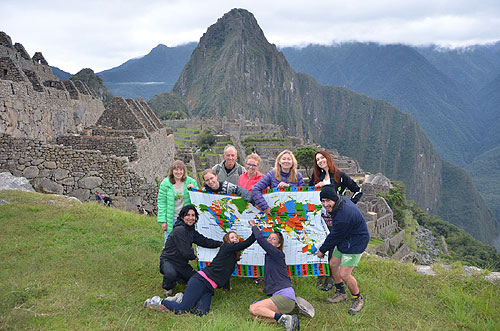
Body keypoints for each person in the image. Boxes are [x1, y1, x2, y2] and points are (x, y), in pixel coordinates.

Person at [144, 227, 256, 316]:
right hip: (200, 280)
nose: (235, 239)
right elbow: (245, 244)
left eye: (236, 237)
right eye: (232, 237)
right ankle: (158, 301)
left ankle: (181, 298)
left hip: (209, 288)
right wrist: (255, 231)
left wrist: (227, 288)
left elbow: (225, 274)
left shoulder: (231, 257)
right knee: (183, 309)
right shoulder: (226, 248)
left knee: (201, 313)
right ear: (227, 241)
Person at [309, 150, 363, 291]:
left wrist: (348, 205)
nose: (320, 161)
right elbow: (308, 193)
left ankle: (331, 279)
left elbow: (358, 190)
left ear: (328, 158)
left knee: (332, 247)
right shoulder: (316, 177)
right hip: (319, 218)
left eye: (322, 158)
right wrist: (316, 187)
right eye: (318, 159)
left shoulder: (340, 176)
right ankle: (321, 275)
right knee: (320, 244)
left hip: (336, 219)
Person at [315, 185, 370, 315]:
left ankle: (358, 298)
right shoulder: (340, 202)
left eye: (328, 200)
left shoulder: (343, 215)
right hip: (346, 238)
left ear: (335, 199)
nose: (325, 204)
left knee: (345, 274)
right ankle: (341, 292)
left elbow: (334, 236)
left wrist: (322, 251)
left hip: (356, 241)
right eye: (323, 201)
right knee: (333, 264)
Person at [159, 205, 223, 297]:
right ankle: (168, 287)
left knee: (197, 279)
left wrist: (220, 244)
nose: (190, 218)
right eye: (187, 215)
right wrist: (194, 256)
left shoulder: (191, 230)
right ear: (182, 217)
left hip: (182, 264)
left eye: (193, 215)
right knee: (170, 274)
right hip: (168, 260)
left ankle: (179, 277)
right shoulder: (179, 230)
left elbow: (203, 241)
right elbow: (185, 251)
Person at [248, 220, 300, 331]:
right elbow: (272, 276)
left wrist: (254, 227)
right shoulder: (271, 256)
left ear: (279, 244)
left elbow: (261, 240)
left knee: (253, 308)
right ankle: (289, 319)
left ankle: (283, 318)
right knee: (256, 317)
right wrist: (267, 289)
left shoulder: (278, 254)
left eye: (274, 239)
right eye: (269, 238)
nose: (270, 240)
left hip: (285, 297)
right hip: (281, 297)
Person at [252, 150, 305, 215]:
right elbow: (256, 189)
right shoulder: (272, 174)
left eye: (289, 159)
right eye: (284, 159)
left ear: (293, 162)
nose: (286, 161)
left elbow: (303, 193)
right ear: (279, 161)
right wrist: (265, 207)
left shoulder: (298, 176)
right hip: (277, 213)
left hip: (294, 213)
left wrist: (288, 186)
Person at [157, 160, 199, 243]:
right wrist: (163, 221)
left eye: (181, 170)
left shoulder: (191, 182)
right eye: (176, 170)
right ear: (172, 171)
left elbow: (197, 199)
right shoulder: (165, 184)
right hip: (171, 218)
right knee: (169, 243)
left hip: (185, 219)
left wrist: (194, 189)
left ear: (184, 171)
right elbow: (162, 203)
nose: (178, 172)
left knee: (185, 242)